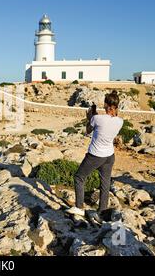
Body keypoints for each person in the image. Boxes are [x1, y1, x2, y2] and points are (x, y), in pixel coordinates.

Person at [65, 90, 123, 220]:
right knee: (105, 183)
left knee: (79, 177)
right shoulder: (120, 121)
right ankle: (102, 211)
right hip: (109, 156)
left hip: (95, 155)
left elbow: (88, 130)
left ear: (106, 105)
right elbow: (110, 120)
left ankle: (79, 208)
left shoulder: (97, 118)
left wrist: (89, 118)